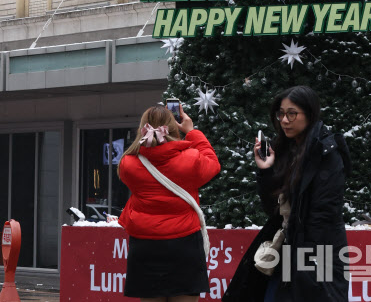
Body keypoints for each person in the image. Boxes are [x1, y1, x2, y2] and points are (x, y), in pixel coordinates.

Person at [224, 85, 351, 302]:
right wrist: (266, 170)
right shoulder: (285, 149)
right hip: (286, 249)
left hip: (317, 253)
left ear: (309, 114)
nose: (284, 120)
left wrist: (304, 261)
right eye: (281, 114)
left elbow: (324, 213)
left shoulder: (327, 152)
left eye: (292, 113)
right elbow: (271, 208)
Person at [118, 103, 221, 302]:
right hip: (184, 243)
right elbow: (213, 164)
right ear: (172, 128)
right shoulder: (191, 159)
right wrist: (192, 132)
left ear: (143, 129)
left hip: (144, 245)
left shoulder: (128, 164)